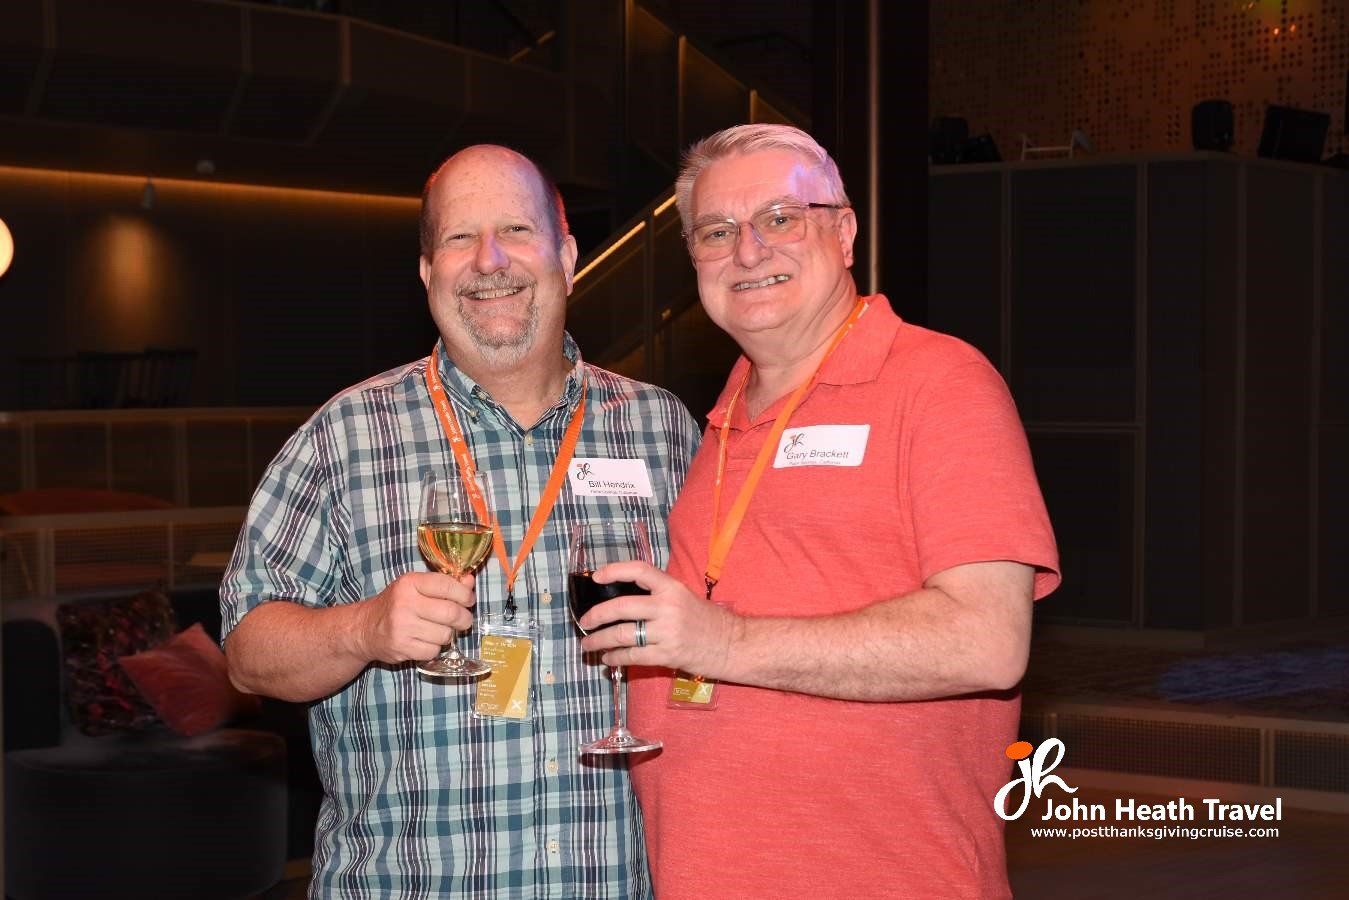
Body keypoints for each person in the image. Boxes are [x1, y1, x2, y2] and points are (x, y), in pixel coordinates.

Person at [578, 124, 1061, 899]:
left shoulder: (939, 383)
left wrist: (724, 642)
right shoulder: (721, 420)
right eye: (716, 231)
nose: (748, 250)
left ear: (842, 231)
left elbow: (987, 641)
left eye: (779, 218)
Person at [220, 144, 700, 898]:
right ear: (426, 272)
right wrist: (363, 630)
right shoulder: (344, 435)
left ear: (567, 256)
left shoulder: (662, 429)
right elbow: (248, 653)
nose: (488, 261)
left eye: (515, 230)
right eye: (457, 238)